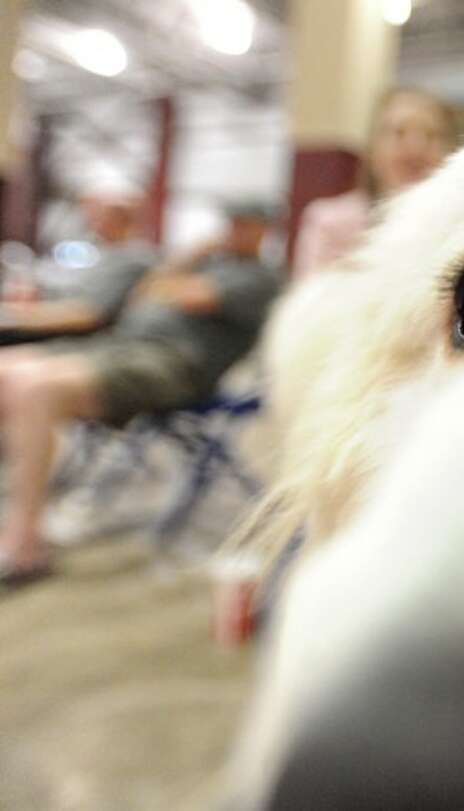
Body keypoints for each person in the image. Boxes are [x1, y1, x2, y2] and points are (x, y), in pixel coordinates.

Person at [0, 202, 283, 586]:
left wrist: (173, 280)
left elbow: (190, 297)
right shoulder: (201, 265)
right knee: (7, 368)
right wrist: (185, 261)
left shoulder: (260, 277)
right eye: (230, 223)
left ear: (265, 230)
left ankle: (25, 545)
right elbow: (144, 296)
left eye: (244, 224)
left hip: (171, 366)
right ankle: (19, 505)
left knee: (37, 389)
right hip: (119, 347)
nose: (233, 231)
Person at [292, 87, 456, 278]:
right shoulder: (329, 222)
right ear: (373, 149)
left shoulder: (460, 225)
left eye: (431, 135)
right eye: (399, 132)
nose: (415, 147)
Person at [0, 191, 157, 344]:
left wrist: (12, 316)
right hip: (43, 315)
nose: (88, 218)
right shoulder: (97, 248)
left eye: (97, 212)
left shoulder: (134, 259)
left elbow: (87, 315)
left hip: (75, 337)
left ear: (119, 216)